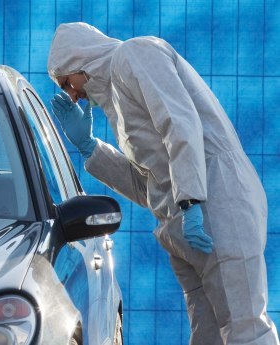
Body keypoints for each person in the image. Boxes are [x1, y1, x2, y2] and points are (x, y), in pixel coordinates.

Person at [47, 22, 279, 345]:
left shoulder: (135, 55)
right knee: (207, 335)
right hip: (184, 224)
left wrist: (190, 201)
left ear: (79, 59)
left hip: (218, 204)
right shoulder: (117, 103)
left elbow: (180, 122)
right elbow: (148, 186)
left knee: (246, 330)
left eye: (65, 81)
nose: (70, 94)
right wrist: (91, 148)